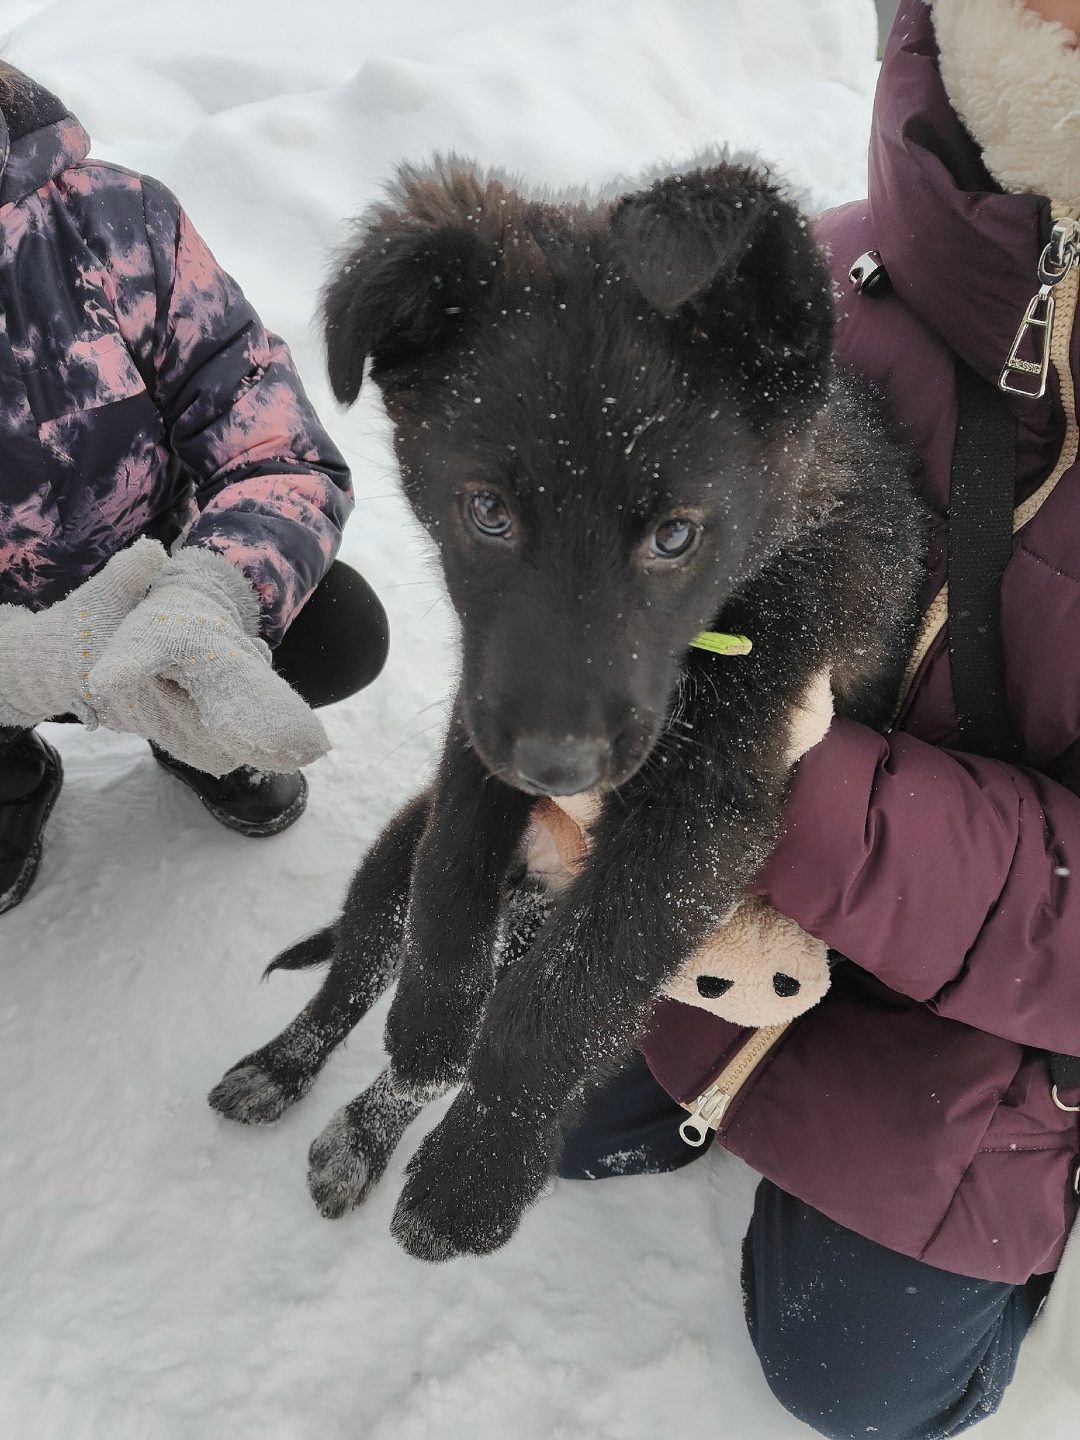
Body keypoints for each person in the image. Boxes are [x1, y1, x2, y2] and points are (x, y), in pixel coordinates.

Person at [558, 1, 1080, 1435]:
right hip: (741, 871)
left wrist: (808, 787)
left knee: (846, 1375)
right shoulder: (831, 287)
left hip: (1007, 999)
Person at [0, 66, 389, 915]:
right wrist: (17, 667)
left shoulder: (115, 223)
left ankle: (192, 725)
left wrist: (210, 598)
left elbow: (277, 445)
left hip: (156, 597)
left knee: (339, 630)